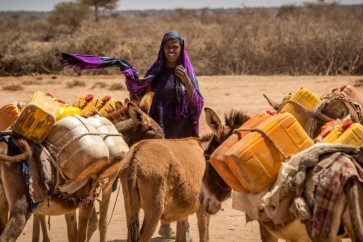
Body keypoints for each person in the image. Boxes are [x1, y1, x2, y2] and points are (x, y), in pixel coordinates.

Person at [57, 31, 203, 241]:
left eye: (175, 47)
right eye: (167, 47)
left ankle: (183, 225)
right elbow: (140, 94)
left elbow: (197, 103)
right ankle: (163, 223)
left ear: (181, 50)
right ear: (162, 49)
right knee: (161, 176)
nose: (171, 51)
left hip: (180, 131)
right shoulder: (156, 72)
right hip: (159, 130)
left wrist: (187, 82)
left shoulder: (187, 73)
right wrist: (133, 83)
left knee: (182, 178)